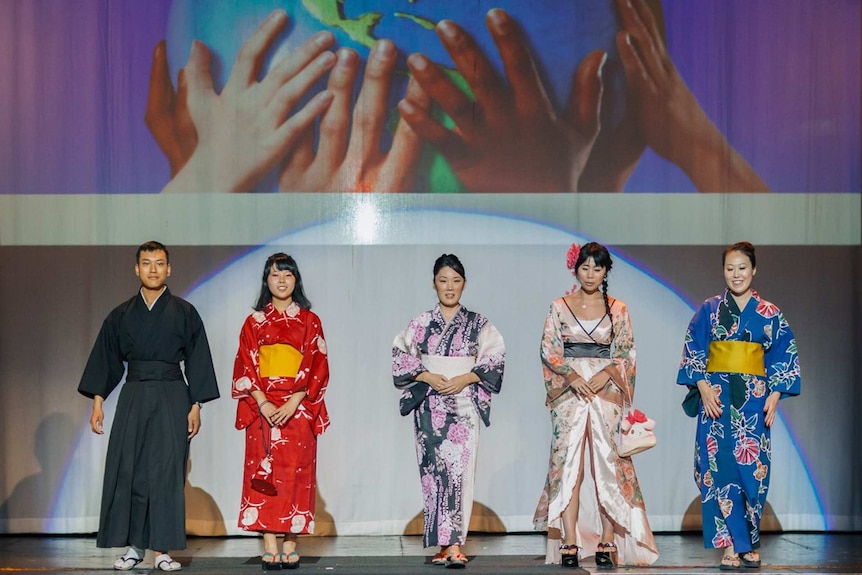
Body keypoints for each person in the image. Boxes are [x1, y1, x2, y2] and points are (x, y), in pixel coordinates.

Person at [78, 240, 219, 572]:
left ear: (169, 269)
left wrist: (196, 404)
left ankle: (163, 551)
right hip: (135, 394)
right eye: (146, 263)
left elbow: (198, 360)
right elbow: (106, 359)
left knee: (168, 473)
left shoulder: (184, 312)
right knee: (132, 471)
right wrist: (98, 403)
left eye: (159, 263)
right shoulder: (122, 315)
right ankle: (134, 547)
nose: (153, 269)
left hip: (172, 393)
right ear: (136, 268)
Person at [533, 242, 658, 569]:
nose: (590, 274)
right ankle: (570, 539)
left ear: (606, 272)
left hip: (605, 392)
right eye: (585, 267)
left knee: (608, 463)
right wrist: (571, 377)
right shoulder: (559, 306)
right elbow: (549, 349)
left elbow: (626, 351)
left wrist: (606, 374)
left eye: (597, 268)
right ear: (575, 268)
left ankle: (607, 539)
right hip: (570, 392)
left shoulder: (618, 308)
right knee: (569, 465)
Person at [677, 242, 801, 570]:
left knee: (752, 470)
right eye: (730, 268)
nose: (736, 274)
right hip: (716, 400)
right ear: (723, 271)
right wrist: (702, 386)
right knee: (718, 470)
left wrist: (775, 395)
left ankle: (748, 542)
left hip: (754, 402)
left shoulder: (770, 313)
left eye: (742, 268)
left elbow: (782, 357)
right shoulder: (709, 310)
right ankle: (731, 545)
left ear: (754, 269)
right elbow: (694, 350)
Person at [392, 254, 505, 569]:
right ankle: (443, 545)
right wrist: (427, 376)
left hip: (463, 402)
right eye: (443, 280)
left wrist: (466, 377)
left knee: (459, 473)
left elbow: (494, 357)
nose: (449, 286)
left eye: (456, 280)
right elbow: (401, 354)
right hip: (430, 403)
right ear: (434, 284)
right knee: (433, 474)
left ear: (464, 284)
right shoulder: (421, 322)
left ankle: (455, 544)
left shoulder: (478, 323)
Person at [232, 253, 330, 570]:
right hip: (262, 407)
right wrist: (263, 402)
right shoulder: (253, 322)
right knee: (266, 474)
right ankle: (270, 541)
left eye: (288, 275)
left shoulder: (310, 321)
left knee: (296, 473)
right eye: (275, 275)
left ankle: (290, 540)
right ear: (267, 281)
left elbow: (317, 365)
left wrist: (293, 401)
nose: (282, 280)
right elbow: (246, 363)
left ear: (296, 280)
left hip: (297, 406)